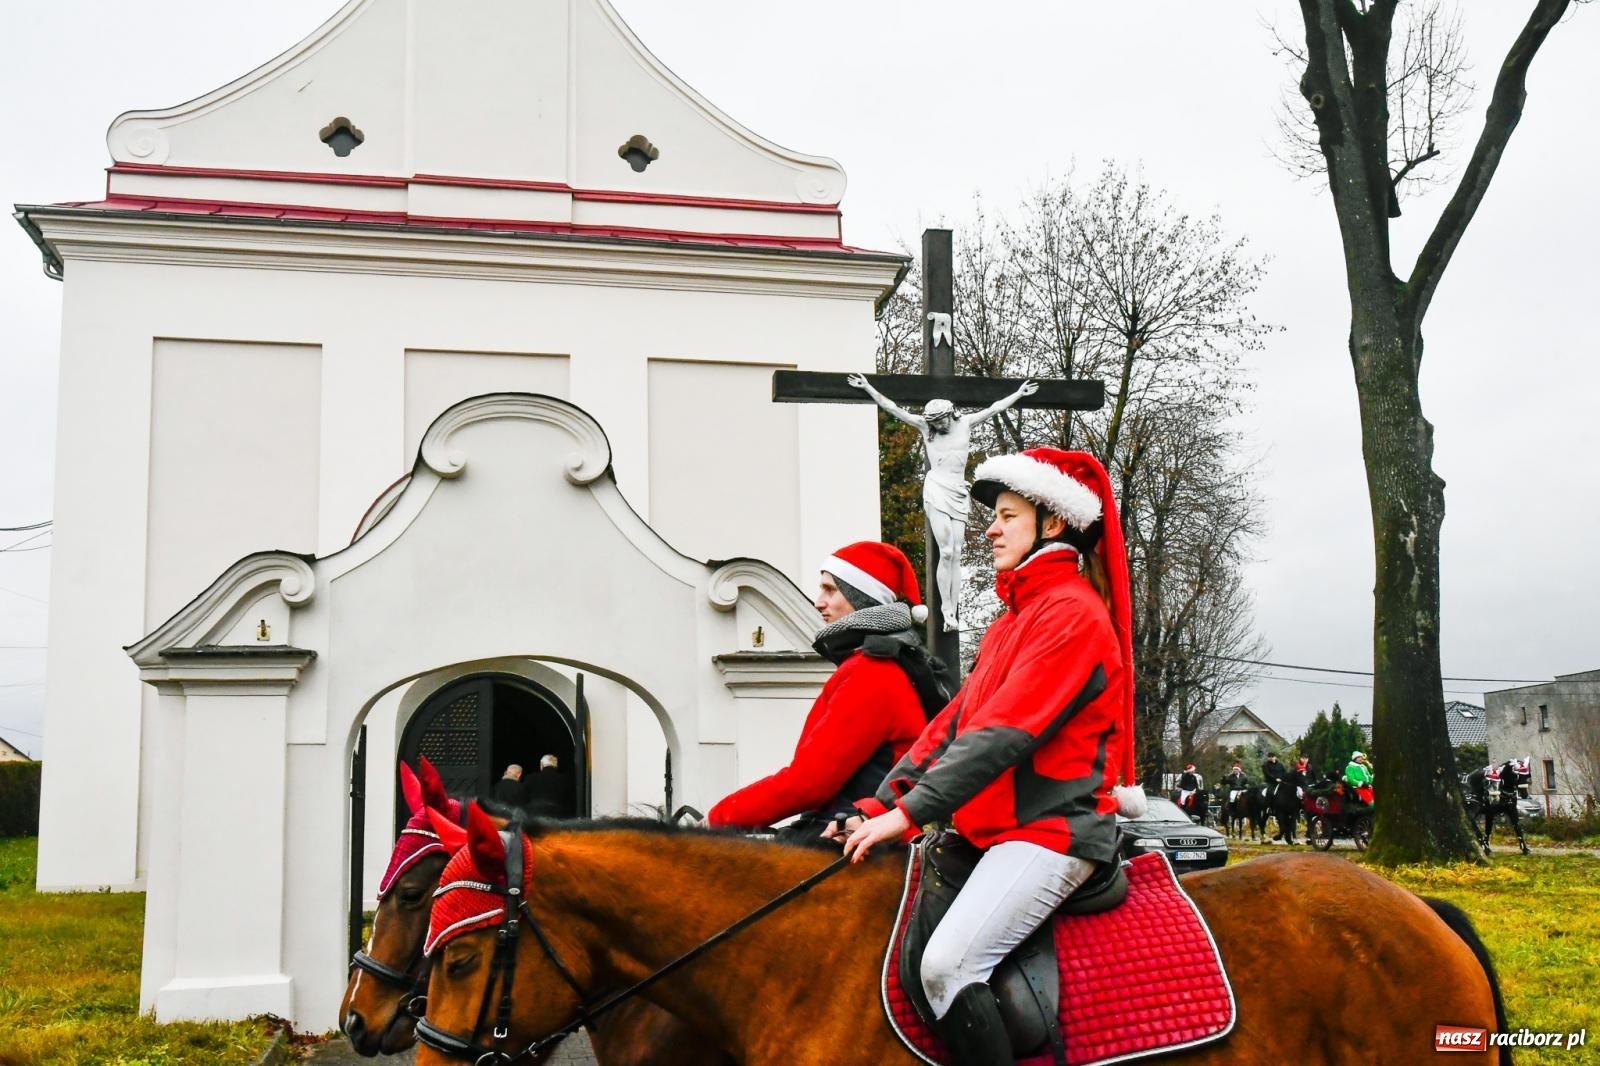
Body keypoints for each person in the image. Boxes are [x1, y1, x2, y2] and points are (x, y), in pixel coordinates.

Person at [838, 448, 1145, 1066]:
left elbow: (1002, 734)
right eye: (993, 517)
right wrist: (878, 803)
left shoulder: (1072, 614)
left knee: (947, 967)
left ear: (1052, 523)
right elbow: (953, 726)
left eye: (1007, 516)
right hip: (998, 833)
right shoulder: (1012, 622)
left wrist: (909, 815)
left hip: (1051, 834)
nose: (990, 530)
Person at [705, 542, 936, 836]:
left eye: (830, 590)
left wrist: (718, 818)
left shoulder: (872, 673)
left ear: (861, 599)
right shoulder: (873, 666)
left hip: (856, 839)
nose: (819, 602)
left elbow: (809, 784)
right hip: (850, 832)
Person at [847, 373, 1038, 632]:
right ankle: (946, 610)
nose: (939, 426)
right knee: (946, 551)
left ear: (950, 414)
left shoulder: (965, 423)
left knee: (956, 553)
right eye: (934, 423)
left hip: (958, 491)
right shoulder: (927, 429)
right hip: (937, 488)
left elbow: (994, 408)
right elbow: (893, 408)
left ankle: (952, 613)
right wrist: (868, 388)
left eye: (941, 421)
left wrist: (1018, 394)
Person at [523, 753, 575, 819]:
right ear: (556, 765)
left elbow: (524, 798)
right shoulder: (564, 779)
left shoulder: (530, 778)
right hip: (558, 817)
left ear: (541, 765)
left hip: (534, 817)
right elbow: (569, 801)